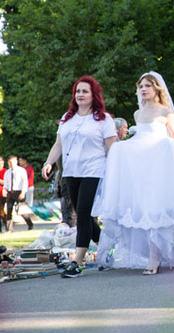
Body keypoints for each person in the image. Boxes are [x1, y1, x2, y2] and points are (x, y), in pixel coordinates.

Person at [93, 72, 174, 275]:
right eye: (141, 86)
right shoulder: (138, 114)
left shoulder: (166, 112)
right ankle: (153, 254)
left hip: (160, 166)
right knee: (145, 208)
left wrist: (163, 146)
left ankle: (159, 256)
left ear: (157, 88)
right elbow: (140, 138)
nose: (143, 89)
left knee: (158, 210)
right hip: (143, 167)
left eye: (148, 85)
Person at [41, 76, 117, 278]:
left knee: (82, 214)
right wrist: (49, 162)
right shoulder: (67, 118)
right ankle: (108, 250)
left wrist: (114, 173)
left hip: (94, 170)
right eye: (77, 91)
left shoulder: (103, 119)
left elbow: (112, 149)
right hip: (71, 172)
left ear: (94, 96)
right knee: (86, 216)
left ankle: (77, 262)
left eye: (85, 91)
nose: (80, 95)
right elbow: (58, 144)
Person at [3, 155, 34, 231]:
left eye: (12, 162)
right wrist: (4, 189)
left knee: (22, 210)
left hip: (19, 191)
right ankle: (9, 229)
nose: (11, 164)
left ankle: (30, 224)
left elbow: (25, 182)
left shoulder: (21, 170)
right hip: (10, 192)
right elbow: (6, 183)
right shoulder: (7, 172)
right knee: (9, 209)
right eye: (9, 162)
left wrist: (23, 192)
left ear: (16, 162)